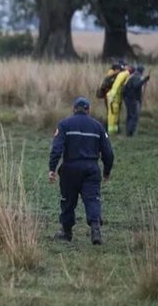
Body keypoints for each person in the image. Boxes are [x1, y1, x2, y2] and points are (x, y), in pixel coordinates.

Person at [49, 97, 114, 245]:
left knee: (68, 201)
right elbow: (108, 152)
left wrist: (52, 168)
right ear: (88, 110)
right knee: (92, 199)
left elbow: (57, 148)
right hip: (91, 169)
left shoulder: (64, 124)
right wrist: (107, 171)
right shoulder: (98, 126)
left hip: (70, 169)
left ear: (73, 109)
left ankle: (66, 232)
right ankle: (95, 228)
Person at [123, 65, 150, 136]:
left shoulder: (132, 76)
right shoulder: (136, 77)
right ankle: (130, 132)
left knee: (130, 115)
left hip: (128, 98)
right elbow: (136, 86)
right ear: (141, 71)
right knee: (134, 116)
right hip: (132, 99)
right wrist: (144, 80)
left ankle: (128, 130)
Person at [106, 62, 131, 134]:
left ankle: (114, 130)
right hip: (114, 98)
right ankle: (111, 131)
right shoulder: (124, 74)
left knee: (114, 114)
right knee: (113, 114)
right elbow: (116, 86)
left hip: (115, 97)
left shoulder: (121, 74)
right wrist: (112, 97)